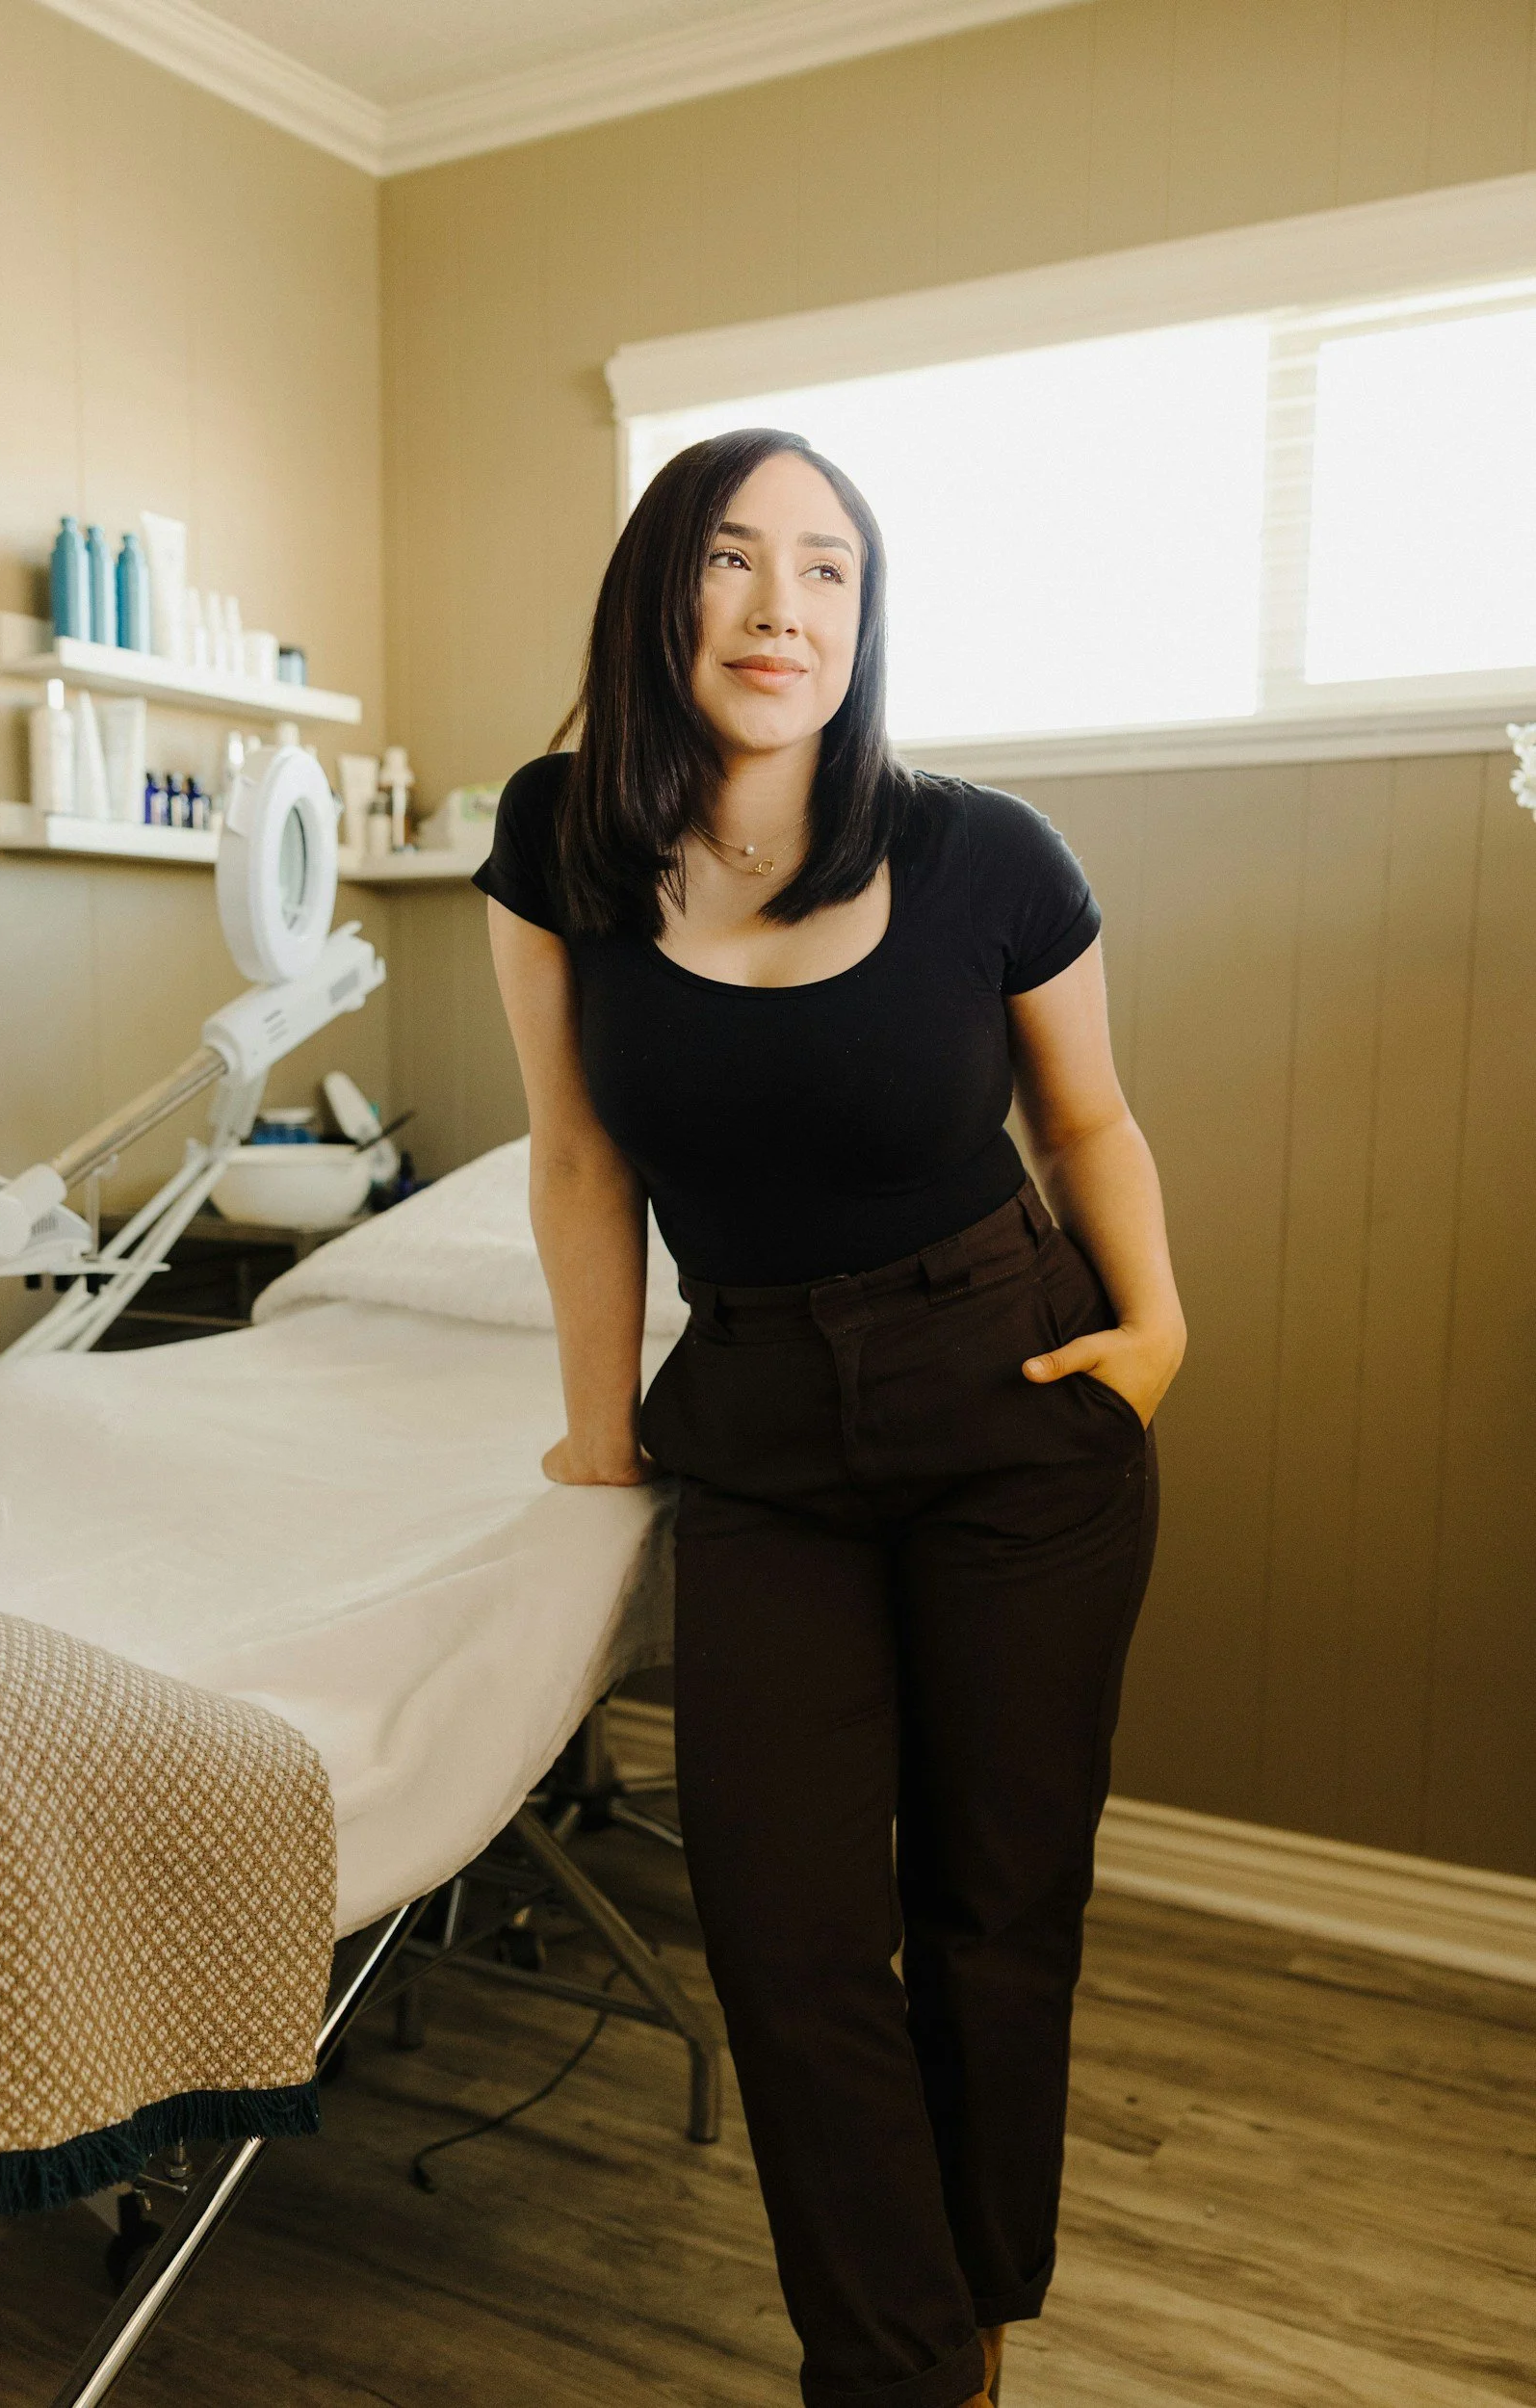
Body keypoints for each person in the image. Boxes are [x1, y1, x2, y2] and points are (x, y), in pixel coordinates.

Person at [477, 427, 1185, 2408]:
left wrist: (1157, 1329)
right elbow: (573, 1155)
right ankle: (899, 2362)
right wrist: (597, 1426)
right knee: (787, 1934)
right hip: (764, 1429)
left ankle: (947, 2344)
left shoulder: (984, 853)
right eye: (730, 559)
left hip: (1015, 1402)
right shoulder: (558, 841)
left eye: (827, 571)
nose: (781, 607)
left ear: (864, 621)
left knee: (989, 1908)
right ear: (659, 590)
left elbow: (1090, 1119)